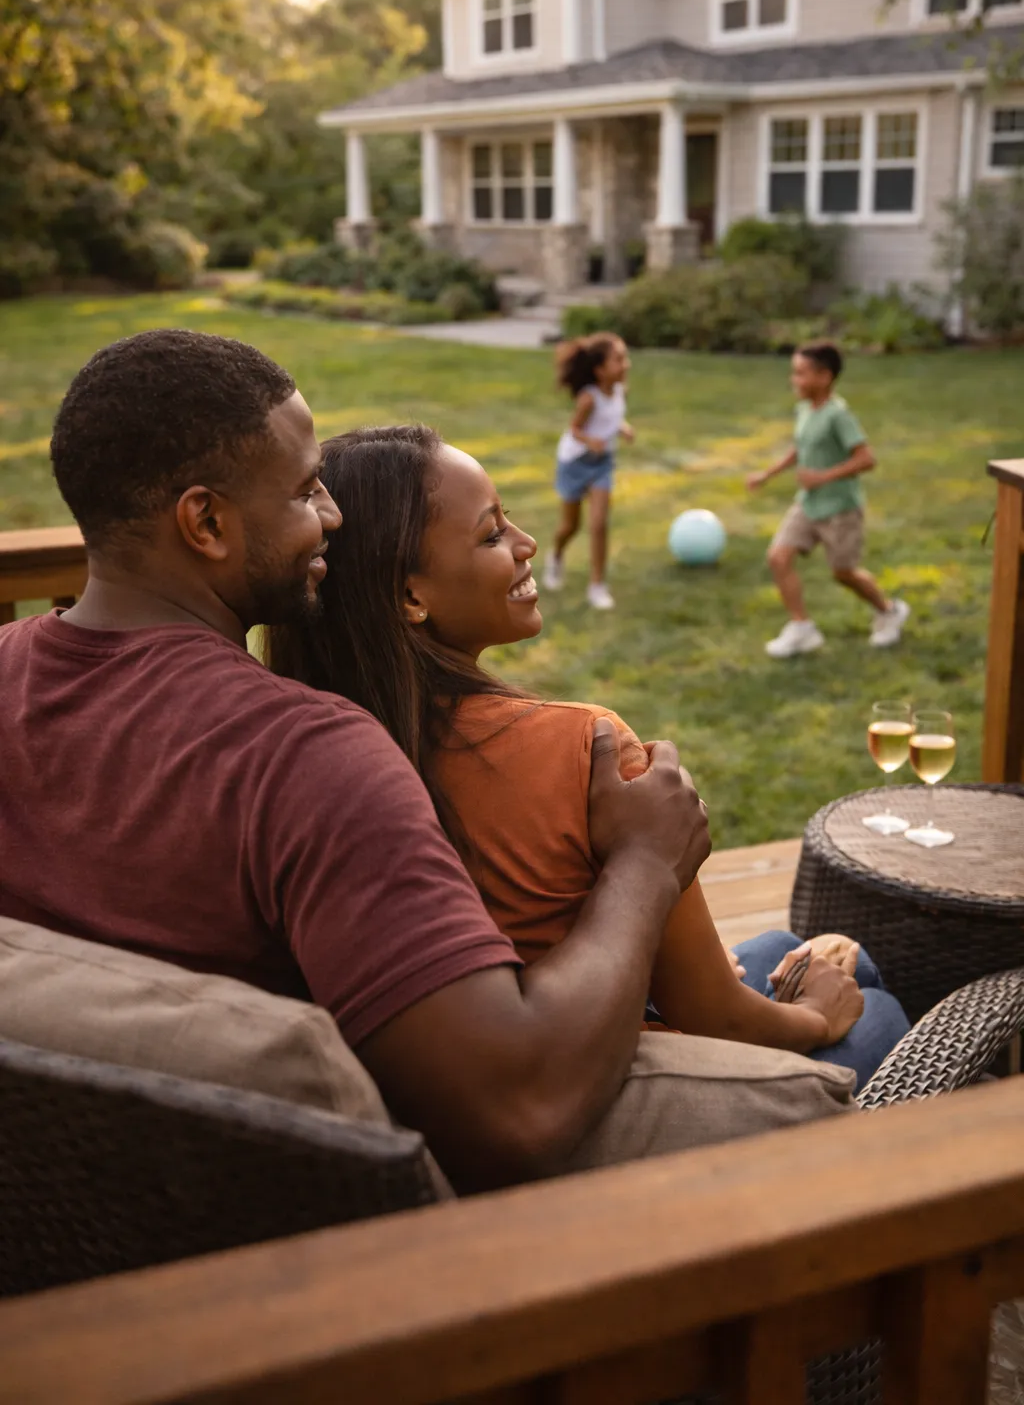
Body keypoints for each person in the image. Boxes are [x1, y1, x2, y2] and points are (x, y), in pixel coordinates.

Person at [0, 328, 849, 1199]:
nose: (331, 515)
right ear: (207, 522)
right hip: (331, 1264)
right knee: (873, 1011)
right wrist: (644, 864)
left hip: (75, 1211)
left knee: (779, 947)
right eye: (304, 492)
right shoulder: (304, 758)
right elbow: (517, 1111)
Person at [267, 425, 908, 1092]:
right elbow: (716, 1017)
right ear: (410, 597)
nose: (526, 543)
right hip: (626, 1074)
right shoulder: (589, 751)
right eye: (491, 534)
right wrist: (816, 1017)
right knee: (871, 1000)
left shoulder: (327, 744)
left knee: (783, 951)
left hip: (503, 1050)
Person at [747, 341, 910, 659]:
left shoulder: (839, 415)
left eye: (800, 374)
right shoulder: (805, 409)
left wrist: (822, 477)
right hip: (808, 504)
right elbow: (800, 447)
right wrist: (768, 474)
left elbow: (866, 459)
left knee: (843, 572)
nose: (794, 380)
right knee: (778, 557)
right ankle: (802, 628)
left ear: (824, 377)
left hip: (840, 509)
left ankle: (889, 611)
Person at [543, 332, 634, 612]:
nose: (626, 364)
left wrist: (622, 427)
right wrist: (590, 440)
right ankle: (556, 555)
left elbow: (612, 416)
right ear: (600, 371)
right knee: (571, 526)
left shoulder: (619, 390)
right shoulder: (588, 399)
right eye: (618, 360)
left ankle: (597, 586)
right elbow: (575, 430)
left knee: (599, 523)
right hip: (574, 463)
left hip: (602, 463)